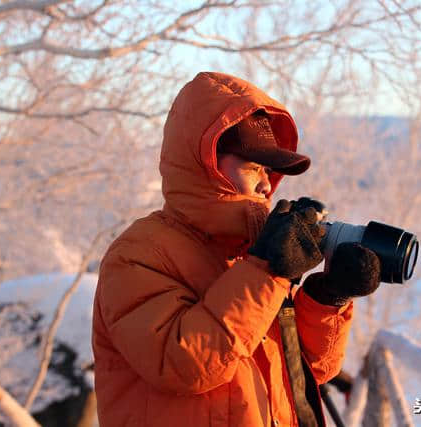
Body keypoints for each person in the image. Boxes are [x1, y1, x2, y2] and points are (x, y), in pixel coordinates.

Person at [92, 71, 381, 426]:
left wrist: (327, 299)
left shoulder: (250, 253)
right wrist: (267, 271)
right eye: (255, 166)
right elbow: (187, 365)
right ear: (207, 163)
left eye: (270, 171)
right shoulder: (139, 253)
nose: (266, 183)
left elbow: (310, 371)